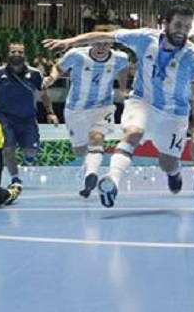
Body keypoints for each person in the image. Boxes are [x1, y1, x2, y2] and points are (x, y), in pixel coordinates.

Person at [42, 5, 194, 208]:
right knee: (133, 132)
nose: (182, 30)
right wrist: (70, 42)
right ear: (165, 24)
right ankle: (112, 182)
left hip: (175, 112)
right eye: (178, 25)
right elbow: (104, 36)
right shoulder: (145, 38)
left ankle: (174, 172)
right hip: (142, 100)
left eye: (187, 27)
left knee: (167, 163)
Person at [43, 34, 130, 198]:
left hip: (102, 106)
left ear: (111, 45)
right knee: (80, 150)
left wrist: (123, 87)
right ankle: (88, 171)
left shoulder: (120, 58)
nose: (101, 47)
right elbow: (59, 68)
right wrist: (52, 79)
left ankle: (91, 176)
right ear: (90, 42)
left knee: (97, 137)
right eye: (97, 43)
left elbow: (124, 68)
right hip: (76, 109)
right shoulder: (76, 55)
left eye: (105, 44)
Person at [0, 42, 57, 190]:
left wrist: (50, 113)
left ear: (24, 54)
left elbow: (44, 94)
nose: (17, 54)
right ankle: (15, 178)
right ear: (8, 54)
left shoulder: (35, 73)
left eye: (20, 52)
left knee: (30, 152)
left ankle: (29, 154)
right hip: (5, 118)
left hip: (28, 119)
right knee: (8, 148)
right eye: (13, 52)